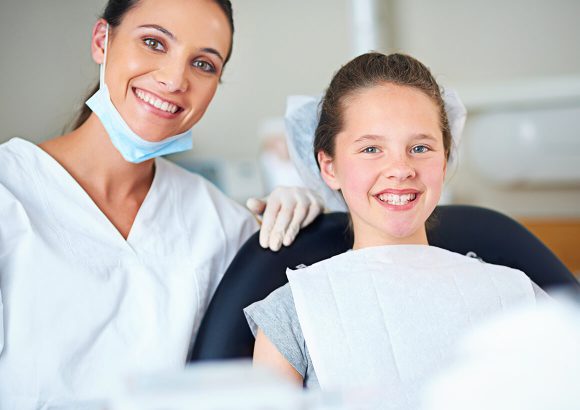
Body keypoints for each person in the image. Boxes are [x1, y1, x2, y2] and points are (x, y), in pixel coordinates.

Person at [0, 0, 323, 407]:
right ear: (102, 41)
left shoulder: (224, 227)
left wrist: (307, 228)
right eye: (153, 42)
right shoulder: (9, 193)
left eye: (203, 64)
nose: (174, 79)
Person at [244, 53, 547, 407]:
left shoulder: (512, 293)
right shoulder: (294, 313)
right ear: (328, 166)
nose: (400, 168)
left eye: (420, 147)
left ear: (445, 158)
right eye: (371, 149)